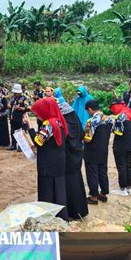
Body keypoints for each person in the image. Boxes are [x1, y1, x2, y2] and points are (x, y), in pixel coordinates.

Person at [23, 98, 69, 221]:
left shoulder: (49, 125)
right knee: (58, 190)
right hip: (58, 162)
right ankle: (61, 216)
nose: (37, 115)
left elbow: (38, 142)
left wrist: (30, 127)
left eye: (38, 112)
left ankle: (48, 218)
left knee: (47, 191)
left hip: (48, 165)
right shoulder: (58, 121)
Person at [54, 88, 88, 220]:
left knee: (68, 185)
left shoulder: (64, 125)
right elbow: (81, 136)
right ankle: (80, 210)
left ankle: (72, 211)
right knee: (77, 183)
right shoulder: (75, 121)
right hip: (77, 157)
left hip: (67, 159)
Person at [83, 99, 113, 205]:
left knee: (92, 173)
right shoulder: (108, 119)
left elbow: (88, 139)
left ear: (90, 109)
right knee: (102, 172)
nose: (87, 113)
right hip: (104, 149)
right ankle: (103, 194)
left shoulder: (91, 121)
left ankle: (94, 197)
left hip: (92, 151)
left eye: (87, 111)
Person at [109, 99, 131, 197]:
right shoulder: (130, 112)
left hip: (121, 145)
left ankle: (122, 189)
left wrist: (111, 128)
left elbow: (118, 132)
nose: (112, 110)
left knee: (121, 165)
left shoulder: (121, 116)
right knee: (128, 165)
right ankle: (129, 188)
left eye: (113, 108)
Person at [8, 83, 29, 151]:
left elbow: (29, 108)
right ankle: (13, 145)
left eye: (16, 92)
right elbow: (10, 105)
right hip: (13, 117)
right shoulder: (13, 97)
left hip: (20, 118)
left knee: (20, 131)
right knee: (13, 131)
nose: (15, 93)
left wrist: (20, 108)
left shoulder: (24, 98)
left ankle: (21, 146)